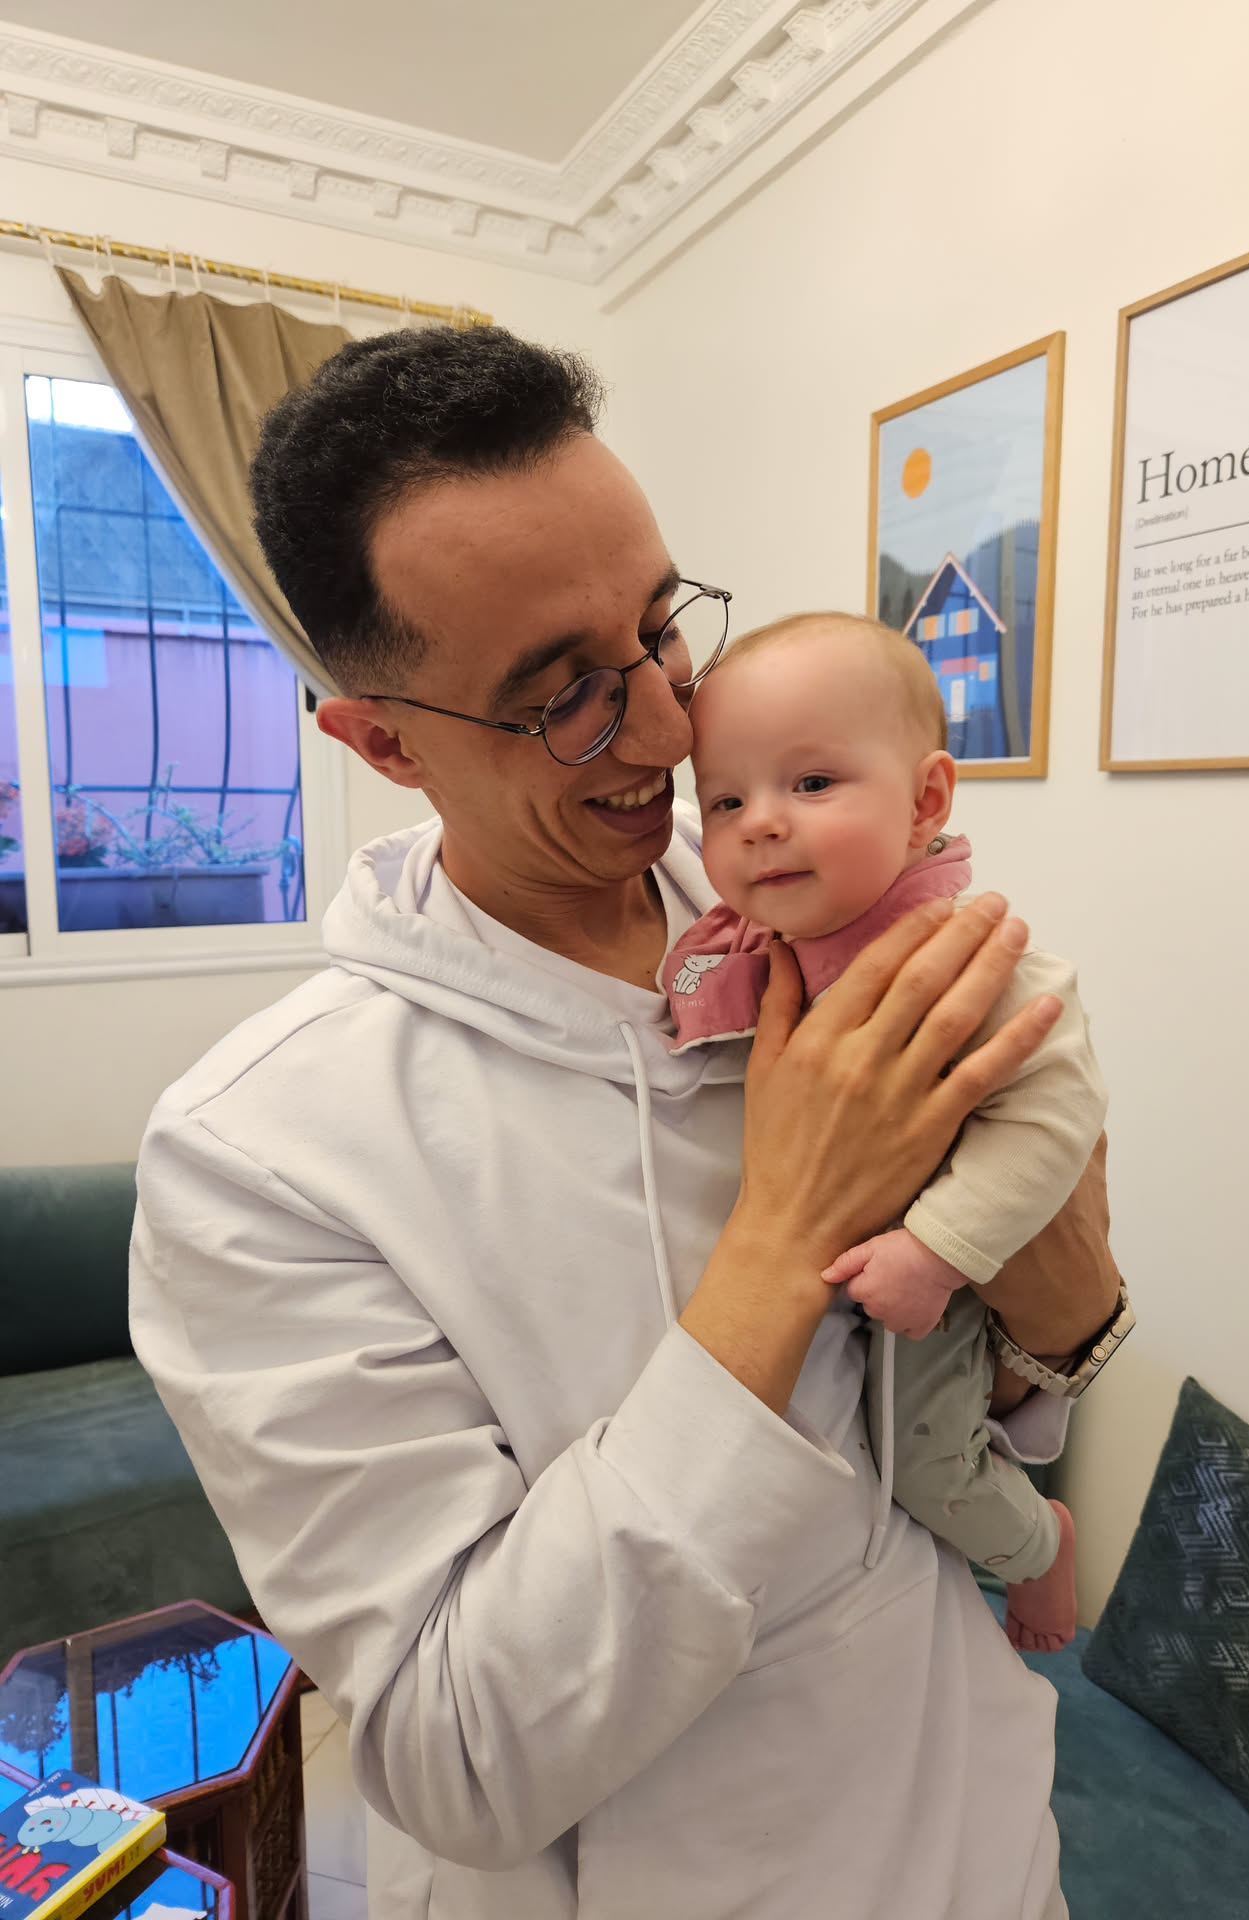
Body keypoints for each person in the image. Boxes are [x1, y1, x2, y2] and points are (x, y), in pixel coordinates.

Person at [128, 326, 1129, 1920]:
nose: (669, 733)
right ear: (383, 739)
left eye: (662, 632)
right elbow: (460, 1756)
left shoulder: (817, 921)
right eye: (564, 699)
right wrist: (783, 1240)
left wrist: (1065, 1328)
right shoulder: (261, 1156)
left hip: (986, 1842)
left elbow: (995, 1402)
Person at [663, 611, 1117, 1653]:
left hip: (935, 1280)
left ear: (926, 802)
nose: (760, 822)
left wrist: (936, 1252)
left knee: (923, 1462)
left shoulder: (970, 958)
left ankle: (1038, 1545)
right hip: (813, 1308)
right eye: (725, 800)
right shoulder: (761, 946)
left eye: (812, 783)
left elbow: (1055, 1116)